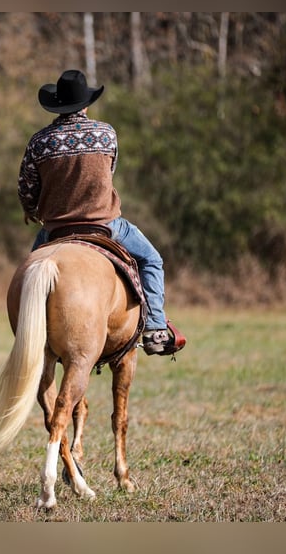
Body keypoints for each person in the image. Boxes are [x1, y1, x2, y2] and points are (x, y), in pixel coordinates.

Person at [17, 69, 185, 356]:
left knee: (26, 280)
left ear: (56, 105)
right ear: (86, 104)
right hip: (106, 225)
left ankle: (26, 334)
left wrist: (32, 210)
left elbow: (27, 187)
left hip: (55, 229)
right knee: (151, 259)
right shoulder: (106, 133)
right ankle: (156, 327)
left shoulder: (39, 141)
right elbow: (108, 172)